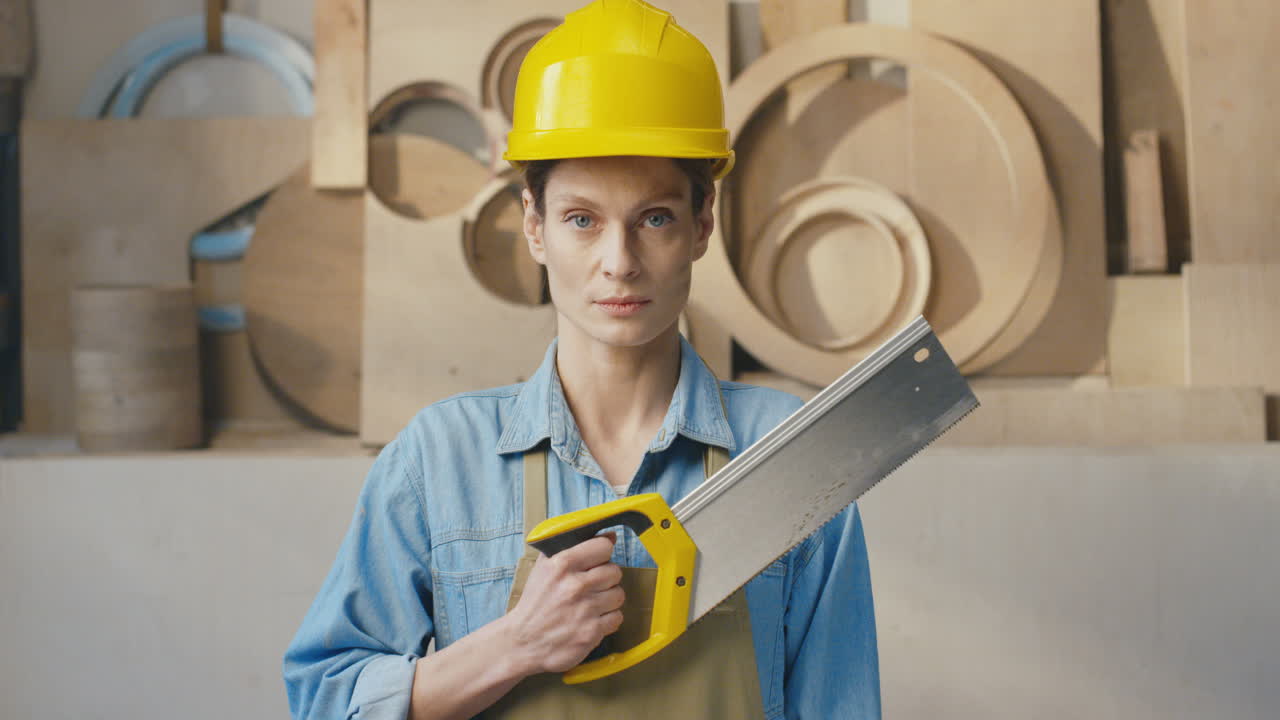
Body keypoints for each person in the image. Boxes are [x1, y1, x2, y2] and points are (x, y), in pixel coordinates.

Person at [283, 1, 880, 718]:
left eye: (653, 218)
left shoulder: (792, 458)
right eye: (581, 220)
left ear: (702, 224)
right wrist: (515, 644)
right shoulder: (438, 464)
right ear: (534, 227)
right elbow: (325, 703)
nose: (618, 263)